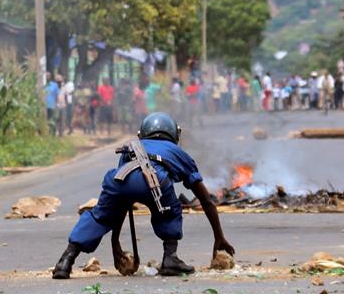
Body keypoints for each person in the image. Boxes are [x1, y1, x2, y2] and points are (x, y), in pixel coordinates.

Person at [51, 112, 235, 279]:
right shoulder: (178, 153)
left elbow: (122, 202)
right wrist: (219, 236)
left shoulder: (132, 148)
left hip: (117, 181)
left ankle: (65, 261)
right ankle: (170, 258)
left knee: (100, 215)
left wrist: (115, 242)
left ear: (142, 134)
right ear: (174, 134)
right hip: (157, 182)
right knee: (170, 211)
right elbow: (205, 199)